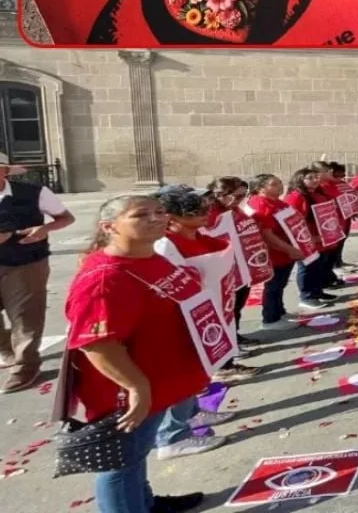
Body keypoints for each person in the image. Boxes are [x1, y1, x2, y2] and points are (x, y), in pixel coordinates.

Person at [64, 195, 214, 513]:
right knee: (122, 463)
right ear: (109, 227)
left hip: (159, 380)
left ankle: (143, 502)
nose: (155, 218)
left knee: (136, 454)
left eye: (159, 211)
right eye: (140, 214)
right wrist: (136, 386)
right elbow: (96, 343)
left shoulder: (150, 258)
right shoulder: (106, 278)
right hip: (128, 390)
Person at [0, 150, 75, 393]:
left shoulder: (34, 192)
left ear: (4, 172)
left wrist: (43, 230)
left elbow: (65, 218)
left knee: (26, 315)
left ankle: (25, 365)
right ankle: (4, 347)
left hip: (25, 261)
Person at [150, 185, 237, 461]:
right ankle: (172, 436)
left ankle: (192, 413)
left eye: (204, 208)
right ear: (173, 216)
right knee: (181, 372)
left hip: (204, 309)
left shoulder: (199, 234)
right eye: (194, 210)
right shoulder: (165, 244)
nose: (204, 214)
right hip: (181, 315)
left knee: (197, 367)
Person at [204, 176, 257, 354]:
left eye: (244, 195)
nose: (242, 200)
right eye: (238, 196)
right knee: (227, 308)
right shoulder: (209, 212)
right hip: (224, 267)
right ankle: (228, 346)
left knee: (237, 305)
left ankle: (235, 335)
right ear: (222, 194)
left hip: (241, 263)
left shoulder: (235, 209)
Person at [244, 174, 303, 330]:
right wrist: (290, 249)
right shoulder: (261, 204)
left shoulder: (277, 202)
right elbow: (266, 235)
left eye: (279, 182)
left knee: (280, 284)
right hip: (275, 252)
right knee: (274, 285)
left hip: (285, 251)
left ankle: (279, 311)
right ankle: (270, 319)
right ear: (260, 188)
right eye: (274, 184)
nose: (279, 186)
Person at [283, 168, 337, 309]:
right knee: (307, 268)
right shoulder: (295, 197)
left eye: (316, 177)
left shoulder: (318, 193)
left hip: (322, 238)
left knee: (319, 267)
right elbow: (292, 221)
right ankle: (306, 296)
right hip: (307, 239)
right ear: (300, 179)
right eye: (310, 178)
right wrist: (309, 237)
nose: (315, 180)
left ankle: (317, 292)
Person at [310, 161, 348, 283]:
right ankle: (320, 283)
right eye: (326, 171)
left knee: (331, 254)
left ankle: (328, 277)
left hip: (336, 223)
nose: (330, 172)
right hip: (324, 227)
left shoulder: (330, 184)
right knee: (324, 256)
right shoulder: (316, 189)